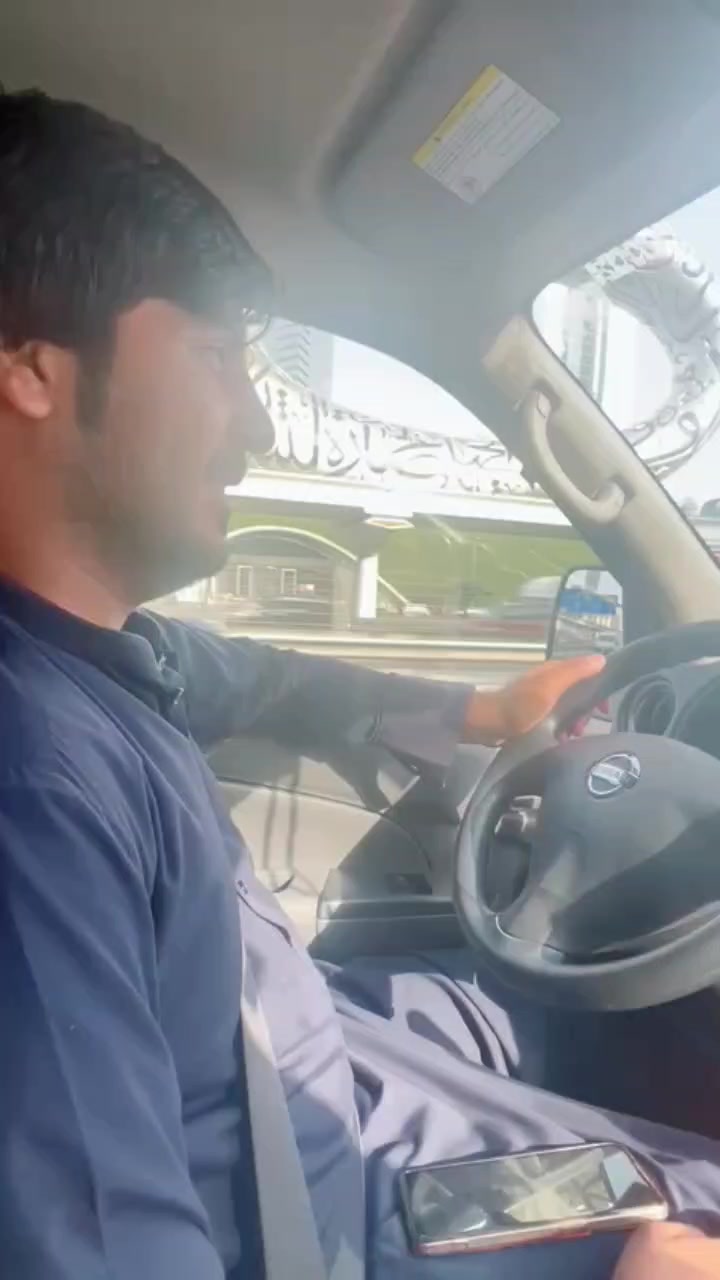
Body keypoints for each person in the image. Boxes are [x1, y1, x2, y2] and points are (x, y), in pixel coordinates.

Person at [0, 90, 717, 1280]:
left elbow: (263, 677)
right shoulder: (32, 781)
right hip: (314, 1218)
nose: (257, 427)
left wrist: (474, 714)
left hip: (322, 1088)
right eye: (217, 359)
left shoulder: (116, 655)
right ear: (30, 367)